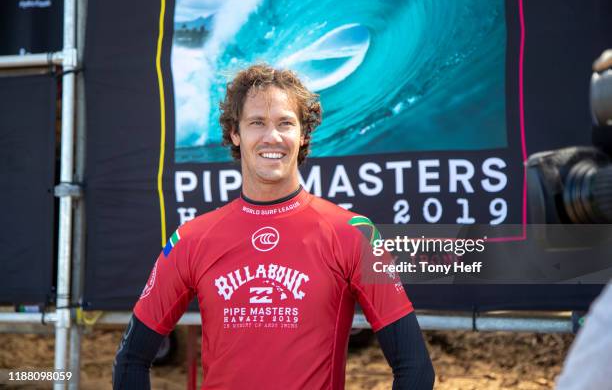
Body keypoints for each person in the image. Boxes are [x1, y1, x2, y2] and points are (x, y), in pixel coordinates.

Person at [113, 64, 435, 389]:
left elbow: (415, 370)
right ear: (235, 134)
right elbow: (130, 361)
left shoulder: (355, 235)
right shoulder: (191, 240)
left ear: (303, 134)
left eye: (285, 123)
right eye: (257, 123)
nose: (272, 137)